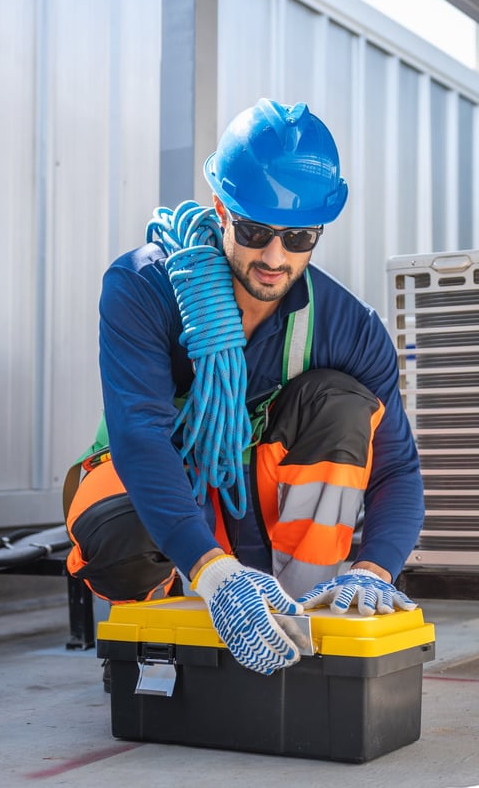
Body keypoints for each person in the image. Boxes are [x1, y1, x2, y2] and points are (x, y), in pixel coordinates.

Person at [64, 98, 424, 675]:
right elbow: (140, 437)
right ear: (221, 210)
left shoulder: (349, 328)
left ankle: (304, 621)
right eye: (256, 229)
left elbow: (398, 469)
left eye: (299, 236)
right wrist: (213, 572)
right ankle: (160, 646)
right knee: (120, 538)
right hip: (160, 492)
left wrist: (375, 569)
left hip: (255, 504)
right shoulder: (144, 288)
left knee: (343, 403)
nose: (275, 257)